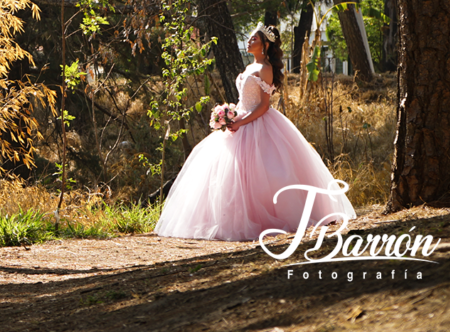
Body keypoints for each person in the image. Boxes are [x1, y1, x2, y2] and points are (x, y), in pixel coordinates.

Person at [152, 25, 355, 241]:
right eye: (249, 38)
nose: (249, 42)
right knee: (230, 174)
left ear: (265, 45)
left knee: (266, 171)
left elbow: (263, 106)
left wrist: (241, 122)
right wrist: (230, 115)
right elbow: (245, 99)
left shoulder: (265, 68)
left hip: (258, 123)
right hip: (240, 119)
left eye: (254, 39)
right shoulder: (251, 66)